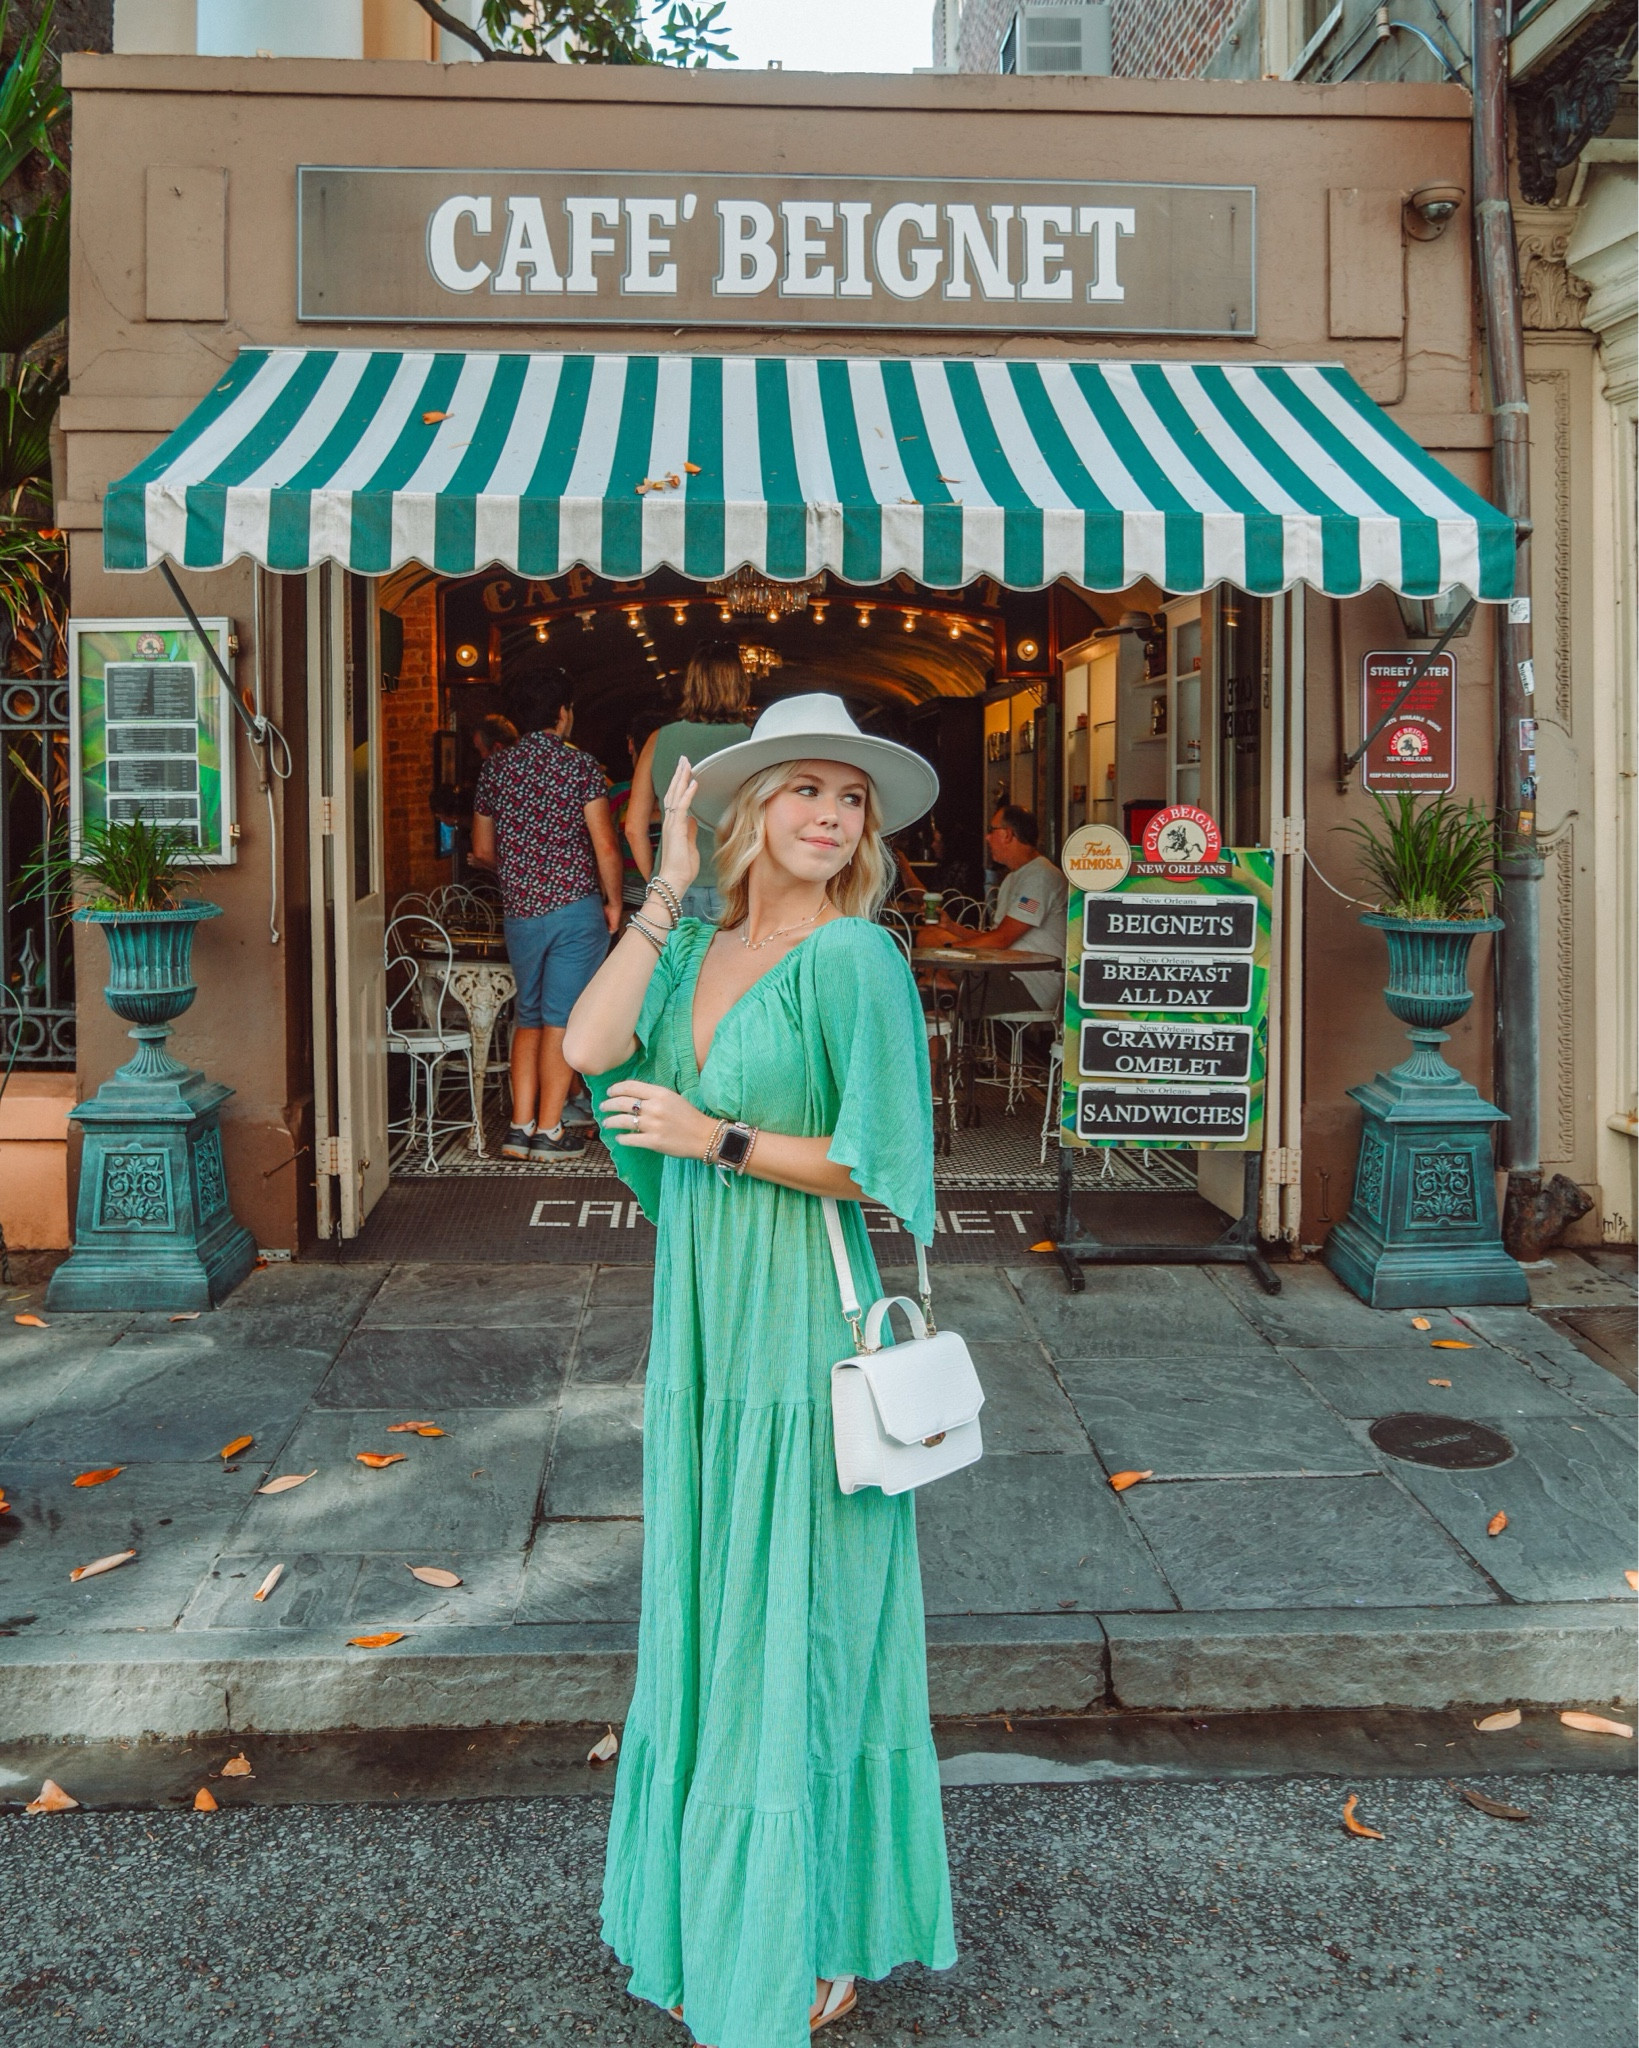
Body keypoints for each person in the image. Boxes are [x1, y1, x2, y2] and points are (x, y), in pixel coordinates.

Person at [562, 694, 954, 2048]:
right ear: (745, 809)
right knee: (712, 1616)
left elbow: (878, 1165)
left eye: (848, 797)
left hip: (797, 1325)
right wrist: (666, 881)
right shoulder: (699, 943)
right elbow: (586, 1047)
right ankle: (707, 1915)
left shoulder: (854, 956)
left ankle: (810, 1930)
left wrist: (712, 1136)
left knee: (798, 1627)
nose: (829, 815)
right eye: (802, 788)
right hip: (701, 1326)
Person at [470, 666, 622, 1162]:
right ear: (562, 713)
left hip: (521, 913)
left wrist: (523, 869)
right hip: (574, 911)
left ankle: (519, 1128)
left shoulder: (496, 769)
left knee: (529, 1018)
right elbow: (605, 845)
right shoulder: (579, 767)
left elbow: (481, 850)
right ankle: (550, 1131)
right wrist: (614, 902)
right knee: (562, 1020)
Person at [623, 640, 753, 920]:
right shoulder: (755, 740)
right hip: (736, 884)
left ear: (691, 685)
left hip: (673, 885)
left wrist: (657, 878)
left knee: (675, 951)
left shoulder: (659, 739)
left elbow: (633, 827)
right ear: (740, 686)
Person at [917, 802, 1068, 1015]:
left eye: (992, 830)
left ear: (1008, 834)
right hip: (1005, 970)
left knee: (926, 995)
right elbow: (996, 938)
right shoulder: (1013, 878)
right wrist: (951, 927)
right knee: (930, 935)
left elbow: (1001, 939)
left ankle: (939, 987)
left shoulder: (1041, 877)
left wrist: (945, 955)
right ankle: (939, 983)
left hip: (1029, 982)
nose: (987, 838)